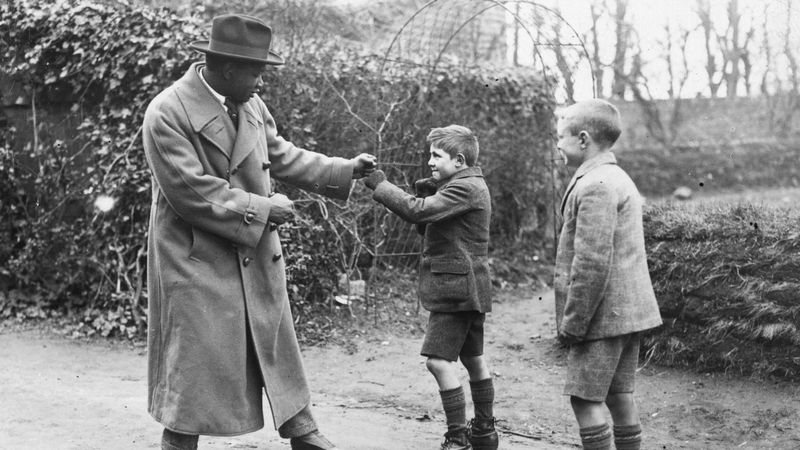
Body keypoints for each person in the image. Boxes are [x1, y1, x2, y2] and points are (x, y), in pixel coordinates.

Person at [141, 14, 376, 450]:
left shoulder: (249, 103)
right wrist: (263, 210)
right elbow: (192, 192)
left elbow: (281, 154)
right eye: (256, 71)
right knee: (194, 362)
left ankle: (302, 430)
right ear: (227, 68)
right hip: (195, 260)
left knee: (275, 340)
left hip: (251, 249)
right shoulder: (166, 113)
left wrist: (344, 170)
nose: (261, 82)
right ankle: (177, 443)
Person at [363, 125, 498, 450]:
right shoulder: (467, 184)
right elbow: (433, 226)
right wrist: (433, 189)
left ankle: (458, 438)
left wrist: (381, 186)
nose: (430, 162)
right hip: (470, 288)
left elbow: (416, 212)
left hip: (456, 290)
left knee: (437, 362)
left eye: (437, 156)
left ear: (460, 159)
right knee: (474, 359)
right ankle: (484, 432)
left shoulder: (464, 188)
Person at [553, 99, 662, 450]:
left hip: (600, 316)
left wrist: (573, 323)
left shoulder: (595, 183)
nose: (557, 144)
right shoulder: (614, 175)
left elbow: (591, 262)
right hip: (625, 314)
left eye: (561, 137)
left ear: (583, 139)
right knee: (618, 395)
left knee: (585, 400)